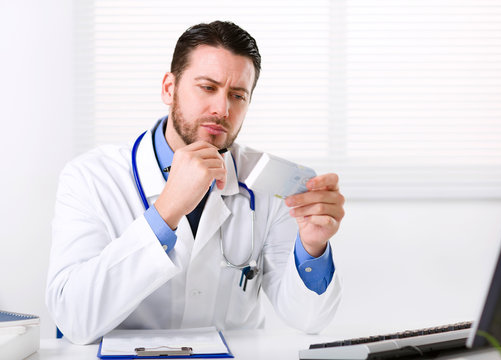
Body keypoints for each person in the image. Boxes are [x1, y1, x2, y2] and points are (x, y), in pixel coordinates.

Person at [46, 20, 344, 345]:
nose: (222, 109)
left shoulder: (272, 183)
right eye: (207, 87)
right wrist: (166, 211)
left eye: (237, 95)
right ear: (168, 89)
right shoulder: (91, 177)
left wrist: (313, 247)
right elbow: (73, 317)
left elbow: (309, 319)